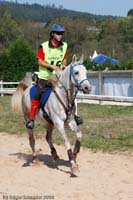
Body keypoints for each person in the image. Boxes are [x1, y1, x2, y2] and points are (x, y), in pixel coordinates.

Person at [26, 23, 83, 129]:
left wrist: (64, 64)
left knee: (70, 90)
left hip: (59, 75)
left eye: (61, 33)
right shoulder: (44, 46)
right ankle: (31, 118)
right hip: (45, 76)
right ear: (52, 34)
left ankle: (75, 115)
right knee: (38, 92)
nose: (60, 35)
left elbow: (65, 58)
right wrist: (51, 67)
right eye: (58, 33)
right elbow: (40, 62)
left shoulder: (64, 46)